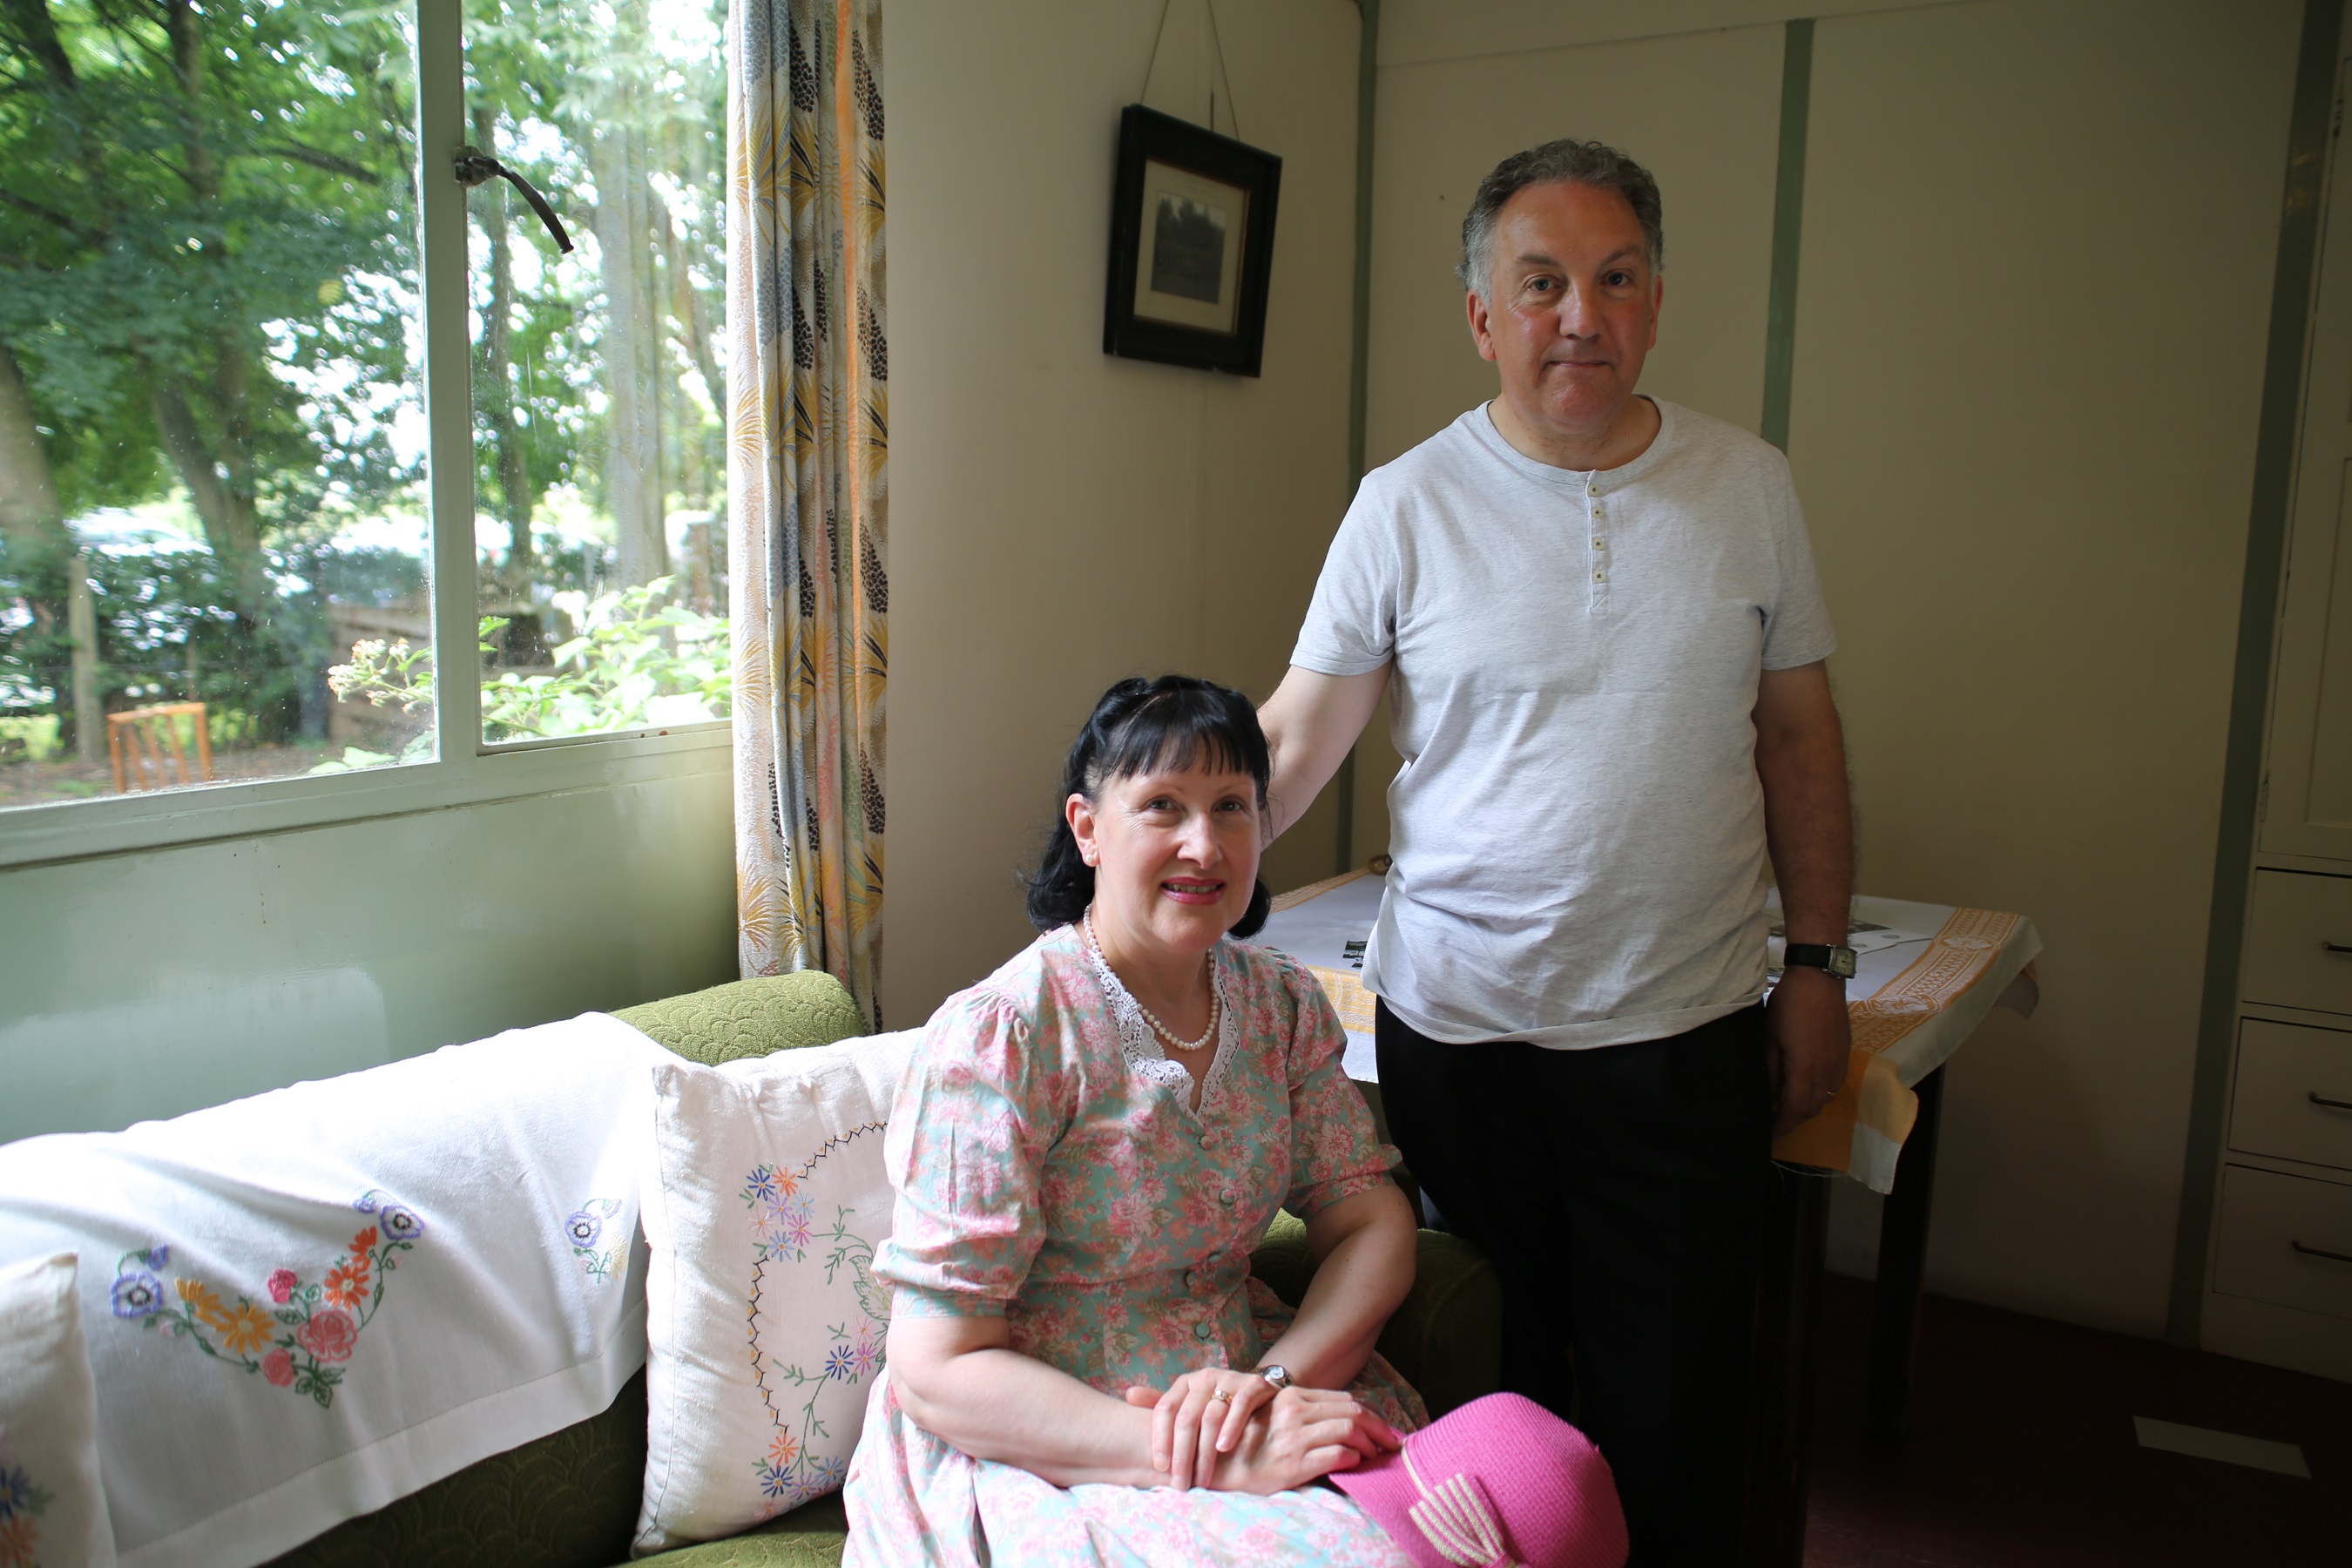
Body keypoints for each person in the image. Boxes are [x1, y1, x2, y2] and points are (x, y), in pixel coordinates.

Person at [1256, 139, 1854, 1566]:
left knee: (1674, 1406)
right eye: (1541, 284)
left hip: (1681, 1037)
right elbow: (1293, 744)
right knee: (1489, 1395)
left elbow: (1801, 744)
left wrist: (1819, 968)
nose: (1578, 315)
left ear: (1654, 305)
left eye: (1613, 278)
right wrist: (1136, 862)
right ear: (1484, 318)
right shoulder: (1403, 504)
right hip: (1461, 1047)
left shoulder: (1750, 487)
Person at [842, 675, 1426, 1565]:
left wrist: (1270, 1387)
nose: (1204, 843)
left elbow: (1371, 1219)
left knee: (1501, 1505)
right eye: (1162, 805)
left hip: (1243, 1393)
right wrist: (1203, 1454)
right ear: (1088, 829)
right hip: (1050, 1445)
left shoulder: (1280, 1006)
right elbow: (937, 1366)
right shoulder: (1006, 1036)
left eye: (1232, 805)